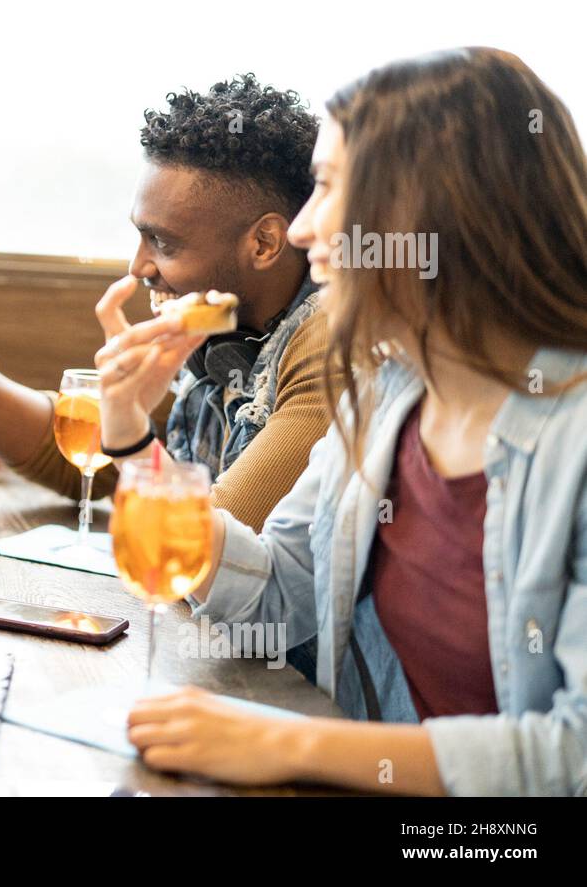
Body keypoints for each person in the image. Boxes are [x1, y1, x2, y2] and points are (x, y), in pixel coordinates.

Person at [111, 48, 587, 795]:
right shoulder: (389, 396)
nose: (301, 230)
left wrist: (294, 743)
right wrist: (130, 437)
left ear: (429, 211)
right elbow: (277, 590)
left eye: (328, 188)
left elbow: (574, 754)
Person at [0, 75, 327, 534]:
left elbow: (207, 547)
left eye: (163, 243)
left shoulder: (329, 344)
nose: (138, 267)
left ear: (263, 243)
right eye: (140, 235)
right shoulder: (225, 329)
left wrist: (128, 423)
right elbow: (78, 458)